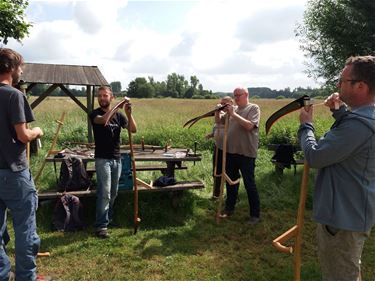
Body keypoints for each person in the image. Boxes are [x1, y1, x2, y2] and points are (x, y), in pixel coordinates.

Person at [298, 55, 375, 281]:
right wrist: (340, 114)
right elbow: (353, 144)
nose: (337, 85)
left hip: (341, 217)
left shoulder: (357, 125)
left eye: (342, 81)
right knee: (350, 268)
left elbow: (315, 156)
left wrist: (306, 127)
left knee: (340, 275)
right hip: (355, 210)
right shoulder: (364, 119)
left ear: (360, 86)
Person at [0, 48, 52, 281]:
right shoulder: (14, 95)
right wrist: (37, 131)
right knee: (25, 230)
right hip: (14, 173)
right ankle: (25, 277)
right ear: (10, 68)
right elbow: (22, 135)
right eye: (20, 67)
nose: (21, 71)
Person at [90, 86, 137, 239]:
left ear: (111, 97)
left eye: (105, 96)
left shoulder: (119, 116)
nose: (102, 98)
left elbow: (133, 129)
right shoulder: (94, 114)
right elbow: (103, 121)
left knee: (114, 193)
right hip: (102, 159)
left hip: (117, 158)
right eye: (100, 96)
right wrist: (118, 106)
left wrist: (129, 114)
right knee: (105, 193)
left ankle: (108, 219)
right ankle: (101, 226)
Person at [216, 87, 261, 225]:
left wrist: (233, 114)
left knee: (249, 184)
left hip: (246, 153)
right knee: (231, 182)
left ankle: (255, 215)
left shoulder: (253, 108)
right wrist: (218, 112)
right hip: (231, 152)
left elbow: (249, 126)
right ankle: (229, 209)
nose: (236, 98)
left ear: (246, 95)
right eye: (234, 95)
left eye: (238, 95)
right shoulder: (232, 109)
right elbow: (219, 122)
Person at [205, 96, 233, 199]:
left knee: (229, 172)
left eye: (225, 103)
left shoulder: (232, 114)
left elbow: (222, 123)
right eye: (221, 103)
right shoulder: (219, 114)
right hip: (218, 146)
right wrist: (211, 135)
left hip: (229, 148)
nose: (222, 105)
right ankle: (216, 194)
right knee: (216, 170)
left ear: (231, 103)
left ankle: (230, 195)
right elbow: (217, 126)